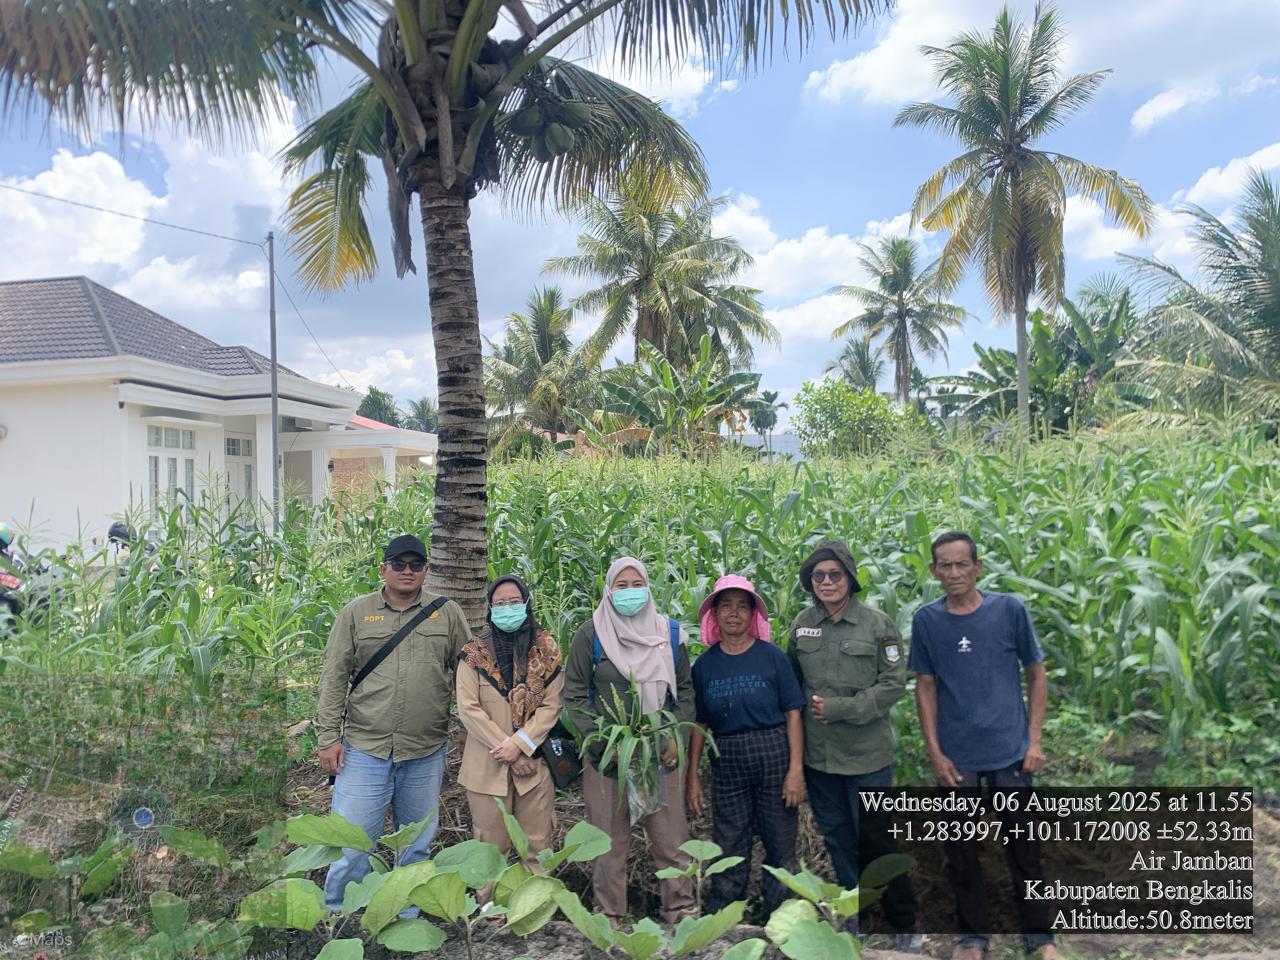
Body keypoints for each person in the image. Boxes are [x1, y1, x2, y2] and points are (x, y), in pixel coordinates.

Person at [910, 531, 1059, 960]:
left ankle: (1040, 938)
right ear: (934, 571)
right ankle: (973, 938)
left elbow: (1036, 673)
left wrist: (1034, 740)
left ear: (978, 567)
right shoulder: (927, 621)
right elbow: (925, 686)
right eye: (945, 565)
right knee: (961, 853)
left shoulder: (1009, 610)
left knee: (1024, 850)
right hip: (957, 759)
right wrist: (935, 753)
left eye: (962, 564)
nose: (954, 572)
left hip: (1010, 753)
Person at [315, 534, 471, 914]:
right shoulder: (356, 613)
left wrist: (468, 727)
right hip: (365, 749)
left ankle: (407, 916)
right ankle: (339, 915)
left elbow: (468, 674)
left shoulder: (447, 613)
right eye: (398, 564)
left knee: (415, 846)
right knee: (352, 845)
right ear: (383, 569)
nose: (407, 571)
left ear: (426, 571)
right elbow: (334, 677)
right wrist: (327, 738)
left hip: (425, 750)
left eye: (415, 565)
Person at [788, 539, 922, 953]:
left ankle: (905, 921)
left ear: (850, 578)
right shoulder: (802, 625)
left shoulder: (878, 625)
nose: (827, 582)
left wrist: (843, 708)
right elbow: (792, 685)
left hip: (866, 757)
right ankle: (857, 913)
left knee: (877, 839)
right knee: (838, 838)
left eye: (835, 574)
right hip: (820, 758)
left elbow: (893, 684)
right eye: (818, 576)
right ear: (810, 582)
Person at [563, 556, 697, 925]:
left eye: (637, 584)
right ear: (608, 590)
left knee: (671, 841)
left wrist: (676, 736)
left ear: (648, 587)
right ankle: (610, 917)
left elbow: (685, 692)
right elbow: (574, 696)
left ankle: (681, 912)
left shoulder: (669, 634)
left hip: (661, 757)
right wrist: (604, 744)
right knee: (608, 844)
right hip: (608, 761)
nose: (629, 592)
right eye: (621, 586)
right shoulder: (591, 635)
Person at [686, 574, 804, 917]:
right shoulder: (704, 666)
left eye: (742, 606)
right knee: (729, 841)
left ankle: (779, 919)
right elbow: (699, 724)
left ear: (753, 615)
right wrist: (692, 777)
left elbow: (793, 714)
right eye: (726, 606)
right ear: (715, 614)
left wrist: (795, 771)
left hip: (773, 752)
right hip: (727, 757)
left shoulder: (773, 657)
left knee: (780, 841)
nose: (734, 613)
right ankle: (724, 919)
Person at [456, 574, 564, 876]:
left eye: (514, 602)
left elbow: (552, 704)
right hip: (486, 766)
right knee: (490, 851)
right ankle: (491, 905)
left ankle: (538, 901)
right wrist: (508, 750)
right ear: (490, 608)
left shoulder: (546, 649)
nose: (507, 608)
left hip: (535, 765)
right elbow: (468, 708)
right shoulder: (473, 653)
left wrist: (520, 745)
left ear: (526, 604)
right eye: (500, 603)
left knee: (538, 848)